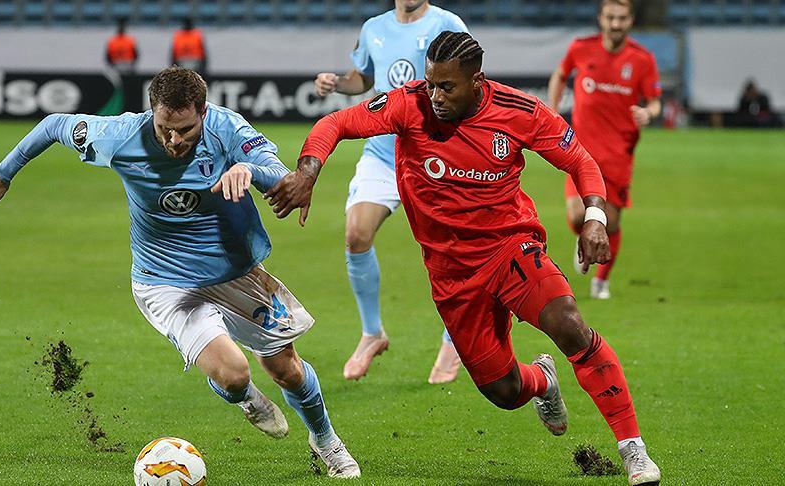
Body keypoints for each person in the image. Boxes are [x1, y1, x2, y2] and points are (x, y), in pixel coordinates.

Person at [267, 32, 661, 486]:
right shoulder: (408, 104)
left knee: (569, 323)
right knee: (504, 391)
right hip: (451, 275)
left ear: (477, 81)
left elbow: (581, 161)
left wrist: (594, 217)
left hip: (509, 248)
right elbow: (334, 124)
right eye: (431, 83)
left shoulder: (519, 111)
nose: (434, 96)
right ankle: (542, 380)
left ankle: (633, 450)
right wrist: (308, 171)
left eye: (447, 87)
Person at [0, 67, 359, 479]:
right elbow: (55, 125)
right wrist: (5, 170)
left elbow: (279, 172)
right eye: (165, 129)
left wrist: (249, 171)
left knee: (287, 370)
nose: (174, 140)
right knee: (235, 374)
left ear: (203, 112)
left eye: (185, 130)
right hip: (165, 281)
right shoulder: (120, 136)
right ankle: (245, 397)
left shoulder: (227, 128)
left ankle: (326, 441)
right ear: (152, 113)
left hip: (234, 271)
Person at [313, 0, 467, 384]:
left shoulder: (447, 23)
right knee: (356, 234)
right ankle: (372, 333)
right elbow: (364, 79)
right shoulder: (373, 28)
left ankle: (454, 338)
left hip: (435, 156)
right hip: (384, 153)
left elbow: (469, 84)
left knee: (452, 250)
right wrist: (338, 83)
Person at [547, 0, 661, 300]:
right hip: (581, 151)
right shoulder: (581, 48)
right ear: (601, 18)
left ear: (630, 21)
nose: (615, 24)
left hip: (619, 154)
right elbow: (560, 75)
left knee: (610, 222)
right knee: (576, 216)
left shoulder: (642, 59)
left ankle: (601, 281)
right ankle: (584, 237)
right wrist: (553, 111)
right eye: (610, 17)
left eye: (621, 18)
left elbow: (654, 102)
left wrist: (647, 113)